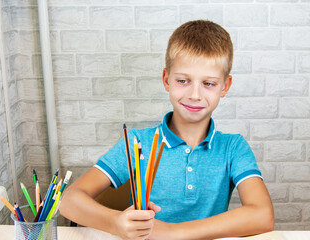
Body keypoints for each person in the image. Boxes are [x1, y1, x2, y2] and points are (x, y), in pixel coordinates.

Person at [60, 20, 274, 240]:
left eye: (208, 84)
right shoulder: (137, 142)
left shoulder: (233, 147)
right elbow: (69, 200)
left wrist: (173, 231)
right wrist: (116, 223)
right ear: (166, 80)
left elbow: (263, 215)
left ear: (225, 87)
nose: (195, 95)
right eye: (183, 81)